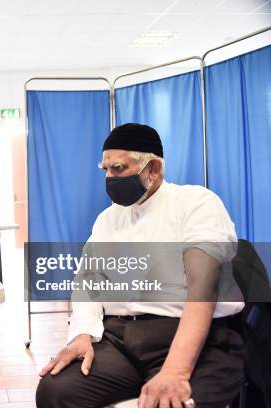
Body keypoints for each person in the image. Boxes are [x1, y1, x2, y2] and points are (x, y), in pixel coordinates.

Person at [36, 123, 245, 408]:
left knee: (171, 403)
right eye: (106, 169)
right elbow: (88, 281)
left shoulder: (196, 204)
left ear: (153, 168)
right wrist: (82, 332)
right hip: (122, 340)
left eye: (119, 168)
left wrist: (175, 371)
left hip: (197, 339)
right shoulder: (109, 219)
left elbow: (202, 289)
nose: (110, 177)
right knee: (56, 392)